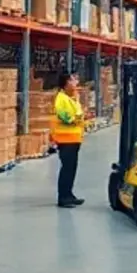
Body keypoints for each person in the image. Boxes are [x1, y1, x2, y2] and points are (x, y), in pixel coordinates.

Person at [51, 72, 85, 208]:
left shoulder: (72, 98)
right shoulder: (61, 98)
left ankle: (69, 194)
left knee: (72, 169)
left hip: (74, 138)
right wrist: (77, 118)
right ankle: (63, 198)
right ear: (65, 83)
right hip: (66, 140)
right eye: (72, 80)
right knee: (66, 169)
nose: (76, 82)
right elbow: (66, 117)